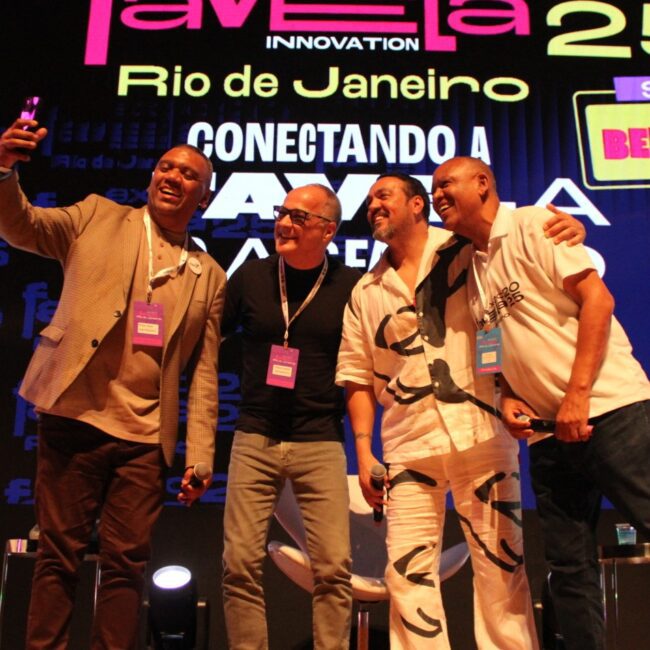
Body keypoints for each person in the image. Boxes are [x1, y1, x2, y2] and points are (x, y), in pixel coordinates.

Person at [0, 116, 226, 649]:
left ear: (205, 198)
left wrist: (200, 456)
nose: (172, 176)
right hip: (74, 415)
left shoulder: (209, 274)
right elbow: (21, 226)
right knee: (58, 555)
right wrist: (5, 170)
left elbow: (205, 371)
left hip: (144, 437)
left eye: (188, 174)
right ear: (151, 177)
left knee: (127, 563)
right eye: (165, 167)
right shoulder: (97, 216)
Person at [336, 171, 585, 650]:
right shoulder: (366, 290)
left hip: (482, 428)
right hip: (407, 443)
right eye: (368, 202)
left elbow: (521, 256)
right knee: (406, 574)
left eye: (383, 196)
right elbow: (355, 376)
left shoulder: (468, 251)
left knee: (501, 568)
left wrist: (570, 230)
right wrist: (363, 452)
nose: (372, 206)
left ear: (416, 204)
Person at [431, 156, 650, 650]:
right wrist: (508, 394)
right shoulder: (471, 266)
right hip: (549, 433)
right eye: (434, 189)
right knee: (569, 566)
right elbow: (496, 344)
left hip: (611, 409)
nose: (438, 195)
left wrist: (577, 396)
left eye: (446, 184)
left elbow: (599, 302)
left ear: (483, 183)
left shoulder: (534, 224)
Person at [221, 184, 360, 649]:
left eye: (298, 217)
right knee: (239, 564)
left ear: (328, 231)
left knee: (334, 568)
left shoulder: (352, 285)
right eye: (282, 212)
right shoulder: (250, 277)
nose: (283, 223)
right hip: (255, 434)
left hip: (320, 437)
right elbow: (207, 341)